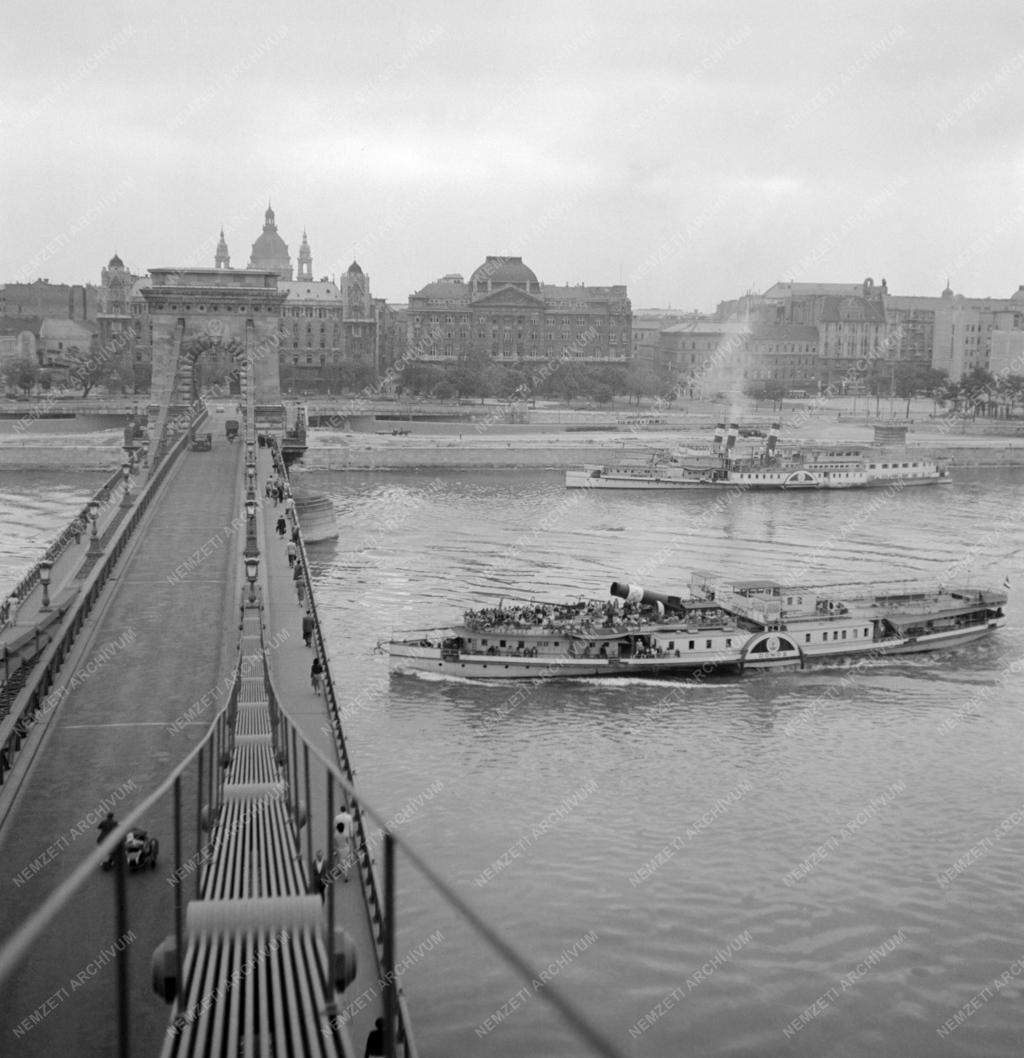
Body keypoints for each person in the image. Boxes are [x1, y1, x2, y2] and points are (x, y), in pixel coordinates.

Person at [332, 807, 353, 882]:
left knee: (339, 860)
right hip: (345, 848)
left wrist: (335, 849)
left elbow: (334, 843)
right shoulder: (345, 834)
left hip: (339, 848)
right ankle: (346, 876)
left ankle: (339, 871)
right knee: (346, 862)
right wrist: (349, 848)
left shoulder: (335, 835)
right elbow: (348, 841)